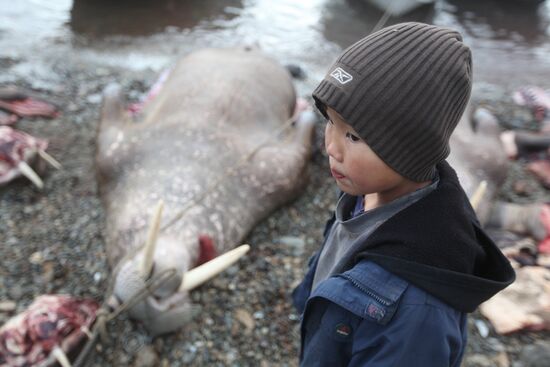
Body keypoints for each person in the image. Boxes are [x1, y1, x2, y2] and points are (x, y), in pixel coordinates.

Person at [292, 22, 515, 366]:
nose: (332, 147)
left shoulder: (417, 311)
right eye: (330, 121)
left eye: (354, 136)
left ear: (410, 150)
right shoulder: (365, 193)